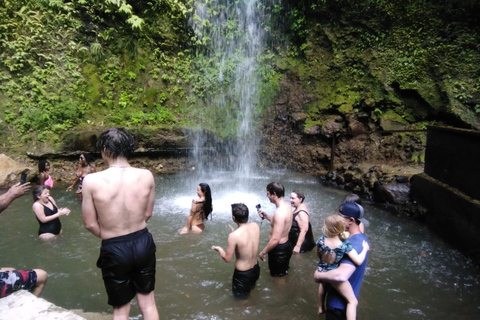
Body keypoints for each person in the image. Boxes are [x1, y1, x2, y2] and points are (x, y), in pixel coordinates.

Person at [82, 128, 159, 320]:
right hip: (143, 241)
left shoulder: (91, 181)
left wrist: (111, 234)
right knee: (148, 304)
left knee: (121, 309)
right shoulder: (147, 175)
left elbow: (90, 224)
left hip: (114, 248)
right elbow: (148, 213)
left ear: (105, 149)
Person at [314, 202, 370, 320]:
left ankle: (320, 306)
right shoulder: (348, 239)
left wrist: (318, 274)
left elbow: (341, 276)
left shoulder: (355, 244)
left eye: (340, 216)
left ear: (351, 220)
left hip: (338, 308)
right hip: (337, 304)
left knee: (352, 302)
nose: (337, 218)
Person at [0, 182, 48, 299]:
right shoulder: (37, 205)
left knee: (11, 269)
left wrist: (8, 193)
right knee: (42, 275)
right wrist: (11, 195)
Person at [212, 203, 260, 298]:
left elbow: (227, 259)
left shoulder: (233, 236)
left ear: (233, 218)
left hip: (243, 274)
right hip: (255, 269)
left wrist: (219, 249)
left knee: (241, 301)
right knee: (251, 290)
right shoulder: (255, 226)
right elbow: (247, 239)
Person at [257, 181, 293, 277]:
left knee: (278, 278)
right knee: (282, 273)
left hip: (279, 250)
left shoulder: (279, 213)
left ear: (274, 194)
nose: (267, 196)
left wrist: (263, 252)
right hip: (286, 245)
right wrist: (267, 216)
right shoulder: (287, 206)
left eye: (268, 193)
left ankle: (281, 290)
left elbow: (275, 239)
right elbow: (281, 223)